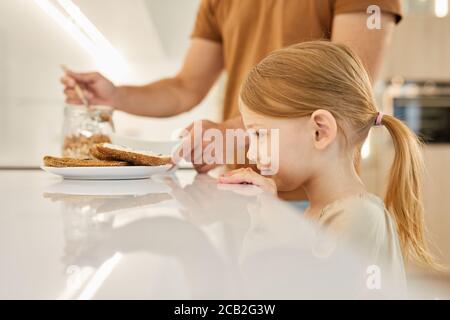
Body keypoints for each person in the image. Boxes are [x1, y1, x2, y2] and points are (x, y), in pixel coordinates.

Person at [61, 0, 402, 173]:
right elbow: (185, 87)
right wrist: (116, 96)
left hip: (314, 198)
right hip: (237, 184)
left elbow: (341, 88)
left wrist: (227, 132)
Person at [218, 41, 438, 274]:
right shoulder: (322, 210)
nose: (251, 153)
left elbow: (299, 287)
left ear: (319, 132)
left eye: (260, 134)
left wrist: (271, 219)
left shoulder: (358, 216)